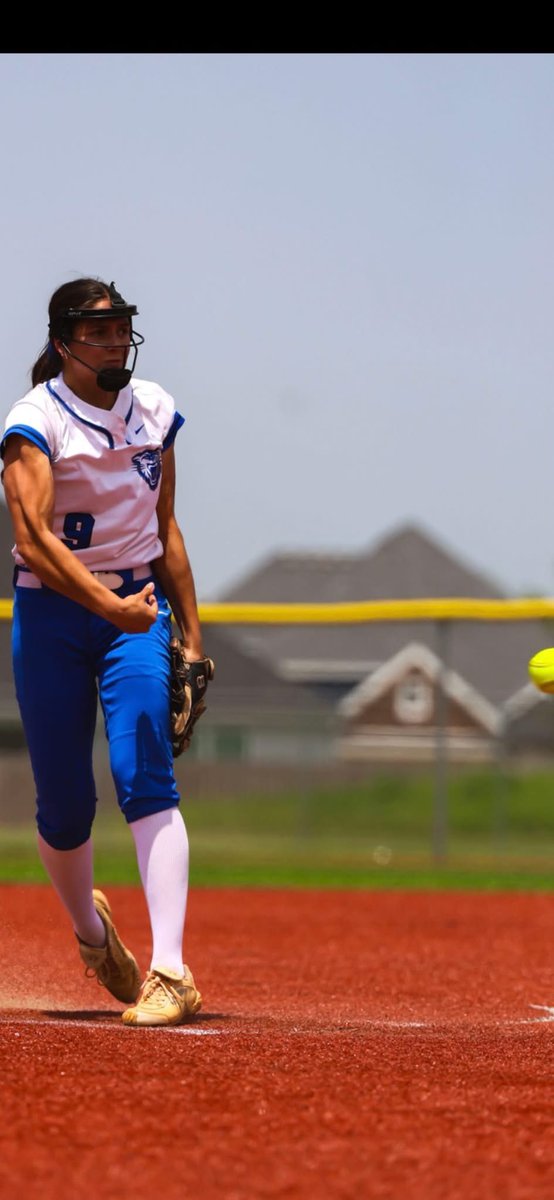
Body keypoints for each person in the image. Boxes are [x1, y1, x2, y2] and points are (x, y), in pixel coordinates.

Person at [1, 276, 206, 1028]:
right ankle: (94, 938)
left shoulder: (153, 409)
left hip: (136, 609)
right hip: (56, 613)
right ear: (63, 342)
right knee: (63, 803)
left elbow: (167, 527)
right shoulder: (34, 421)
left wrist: (190, 632)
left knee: (141, 768)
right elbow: (33, 542)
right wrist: (105, 606)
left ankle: (172, 971)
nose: (117, 341)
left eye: (122, 328)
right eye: (99, 331)